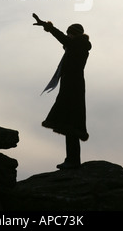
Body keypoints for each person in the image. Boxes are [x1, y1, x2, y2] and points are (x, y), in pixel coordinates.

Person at [32, 13, 92, 170]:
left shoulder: (78, 46)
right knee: (69, 125)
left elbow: (63, 40)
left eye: (69, 34)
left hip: (73, 88)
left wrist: (49, 27)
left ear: (73, 35)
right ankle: (72, 160)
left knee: (70, 123)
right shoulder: (76, 47)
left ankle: (72, 161)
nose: (67, 36)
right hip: (72, 87)